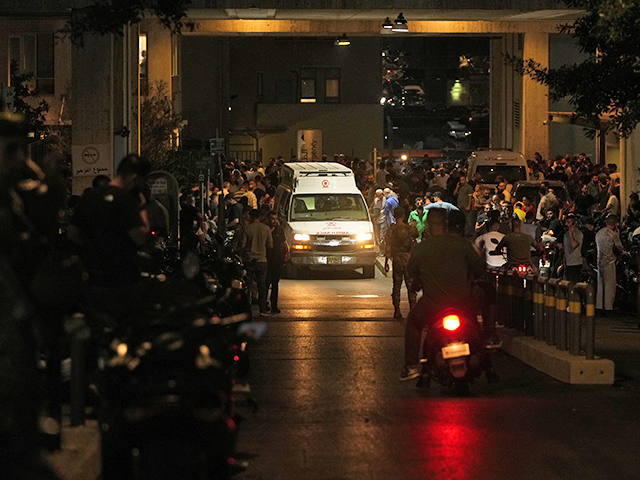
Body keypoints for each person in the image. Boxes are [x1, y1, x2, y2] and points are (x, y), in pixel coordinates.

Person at [400, 208, 485, 380]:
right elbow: (479, 269)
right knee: (476, 325)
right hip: (463, 302)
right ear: (446, 224)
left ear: (428, 226)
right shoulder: (462, 244)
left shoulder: (421, 248)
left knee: (414, 323)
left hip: (433, 303)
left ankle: (411, 366)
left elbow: (410, 272)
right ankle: (484, 354)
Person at [70, 153, 151, 319]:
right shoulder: (126, 201)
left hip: (90, 279)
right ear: (134, 178)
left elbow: (72, 234)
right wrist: (142, 208)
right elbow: (140, 237)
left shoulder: (89, 197)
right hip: (121, 280)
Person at [384, 206, 419, 319]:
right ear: (403, 216)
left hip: (397, 259)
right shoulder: (410, 229)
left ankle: (397, 311)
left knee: (397, 285)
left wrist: (386, 262)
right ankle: (413, 310)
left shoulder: (391, 229)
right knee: (410, 285)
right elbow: (417, 235)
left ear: (394, 216)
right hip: (408, 259)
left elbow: (388, 246)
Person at [240, 208, 273, 316]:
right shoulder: (266, 228)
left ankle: (247, 309)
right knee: (262, 286)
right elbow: (270, 245)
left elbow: (242, 245)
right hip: (262, 260)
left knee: (248, 286)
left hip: (250, 260)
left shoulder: (247, 229)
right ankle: (262, 309)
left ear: (250, 217)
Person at [595, 215, 624, 313]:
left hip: (599, 261)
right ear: (615, 224)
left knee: (600, 284)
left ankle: (599, 305)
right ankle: (608, 307)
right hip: (609, 261)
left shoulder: (599, 233)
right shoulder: (613, 234)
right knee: (609, 285)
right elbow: (620, 248)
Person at [265, 210, 288, 314]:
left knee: (275, 284)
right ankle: (264, 304)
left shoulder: (279, 230)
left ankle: (274, 305)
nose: (274, 221)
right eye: (272, 219)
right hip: (266, 259)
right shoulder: (265, 229)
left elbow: (284, 242)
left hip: (277, 260)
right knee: (265, 284)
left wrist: (287, 252)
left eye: (276, 219)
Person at [563, 215, 584, 282]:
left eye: (568, 222)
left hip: (575, 263)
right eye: (566, 222)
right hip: (568, 262)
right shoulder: (566, 234)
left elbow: (574, 245)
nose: (566, 224)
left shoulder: (578, 234)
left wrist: (571, 234)